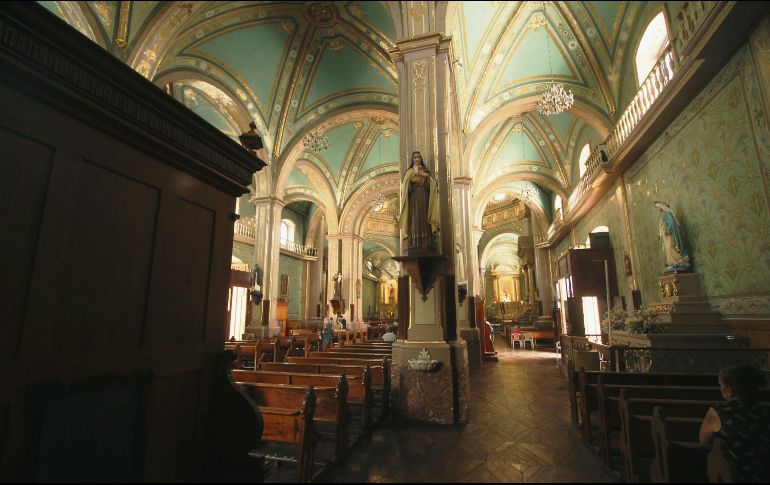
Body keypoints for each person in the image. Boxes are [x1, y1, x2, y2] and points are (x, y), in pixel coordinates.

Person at [699, 365, 770, 482]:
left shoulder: (718, 412)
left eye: (721, 385)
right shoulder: (766, 413)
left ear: (729, 390)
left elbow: (704, 443)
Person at [399, 151, 439, 253]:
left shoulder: (425, 171)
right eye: (415, 157)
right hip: (413, 201)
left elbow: (434, 185)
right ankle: (414, 242)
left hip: (425, 199)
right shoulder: (409, 172)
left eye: (418, 157)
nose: (417, 159)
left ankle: (426, 241)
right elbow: (404, 189)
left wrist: (426, 176)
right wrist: (411, 181)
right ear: (412, 160)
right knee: (414, 218)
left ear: (421, 159)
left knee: (424, 217)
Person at [654, 201, 691, 272]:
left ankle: (678, 259)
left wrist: (668, 229)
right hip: (665, 237)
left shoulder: (667, 213)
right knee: (667, 249)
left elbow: (672, 222)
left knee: (670, 247)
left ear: (661, 207)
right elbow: (662, 227)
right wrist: (660, 235)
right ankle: (672, 262)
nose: (657, 209)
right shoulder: (662, 216)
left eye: (658, 207)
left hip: (670, 235)